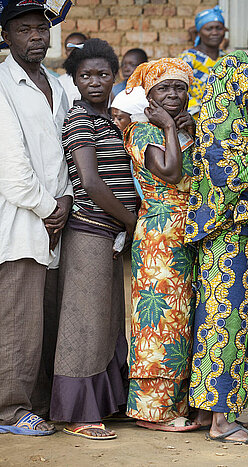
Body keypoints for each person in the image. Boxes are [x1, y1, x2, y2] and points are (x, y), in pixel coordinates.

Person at [51, 39, 139, 440]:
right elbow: (89, 182)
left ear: (115, 76)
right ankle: (77, 412)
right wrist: (130, 221)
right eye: (85, 75)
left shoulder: (110, 120)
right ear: (75, 79)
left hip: (109, 235)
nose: (95, 81)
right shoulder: (80, 119)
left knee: (106, 323)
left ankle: (105, 402)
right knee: (83, 325)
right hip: (89, 230)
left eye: (103, 74)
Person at [184, 51, 248, 445]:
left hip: (217, 240)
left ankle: (205, 411)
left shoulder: (214, 120)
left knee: (211, 325)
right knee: (227, 327)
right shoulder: (226, 127)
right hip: (227, 239)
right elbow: (228, 181)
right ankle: (222, 421)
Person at [0, 0, 72, 436]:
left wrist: (64, 201)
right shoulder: (2, 85)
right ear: (6, 37)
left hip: (56, 218)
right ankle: (9, 410)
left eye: (41, 28)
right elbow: (11, 169)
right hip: (21, 220)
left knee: (45, 318)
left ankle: (37, 405)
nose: (36, 36)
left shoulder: (58, 85)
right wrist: (49, 208)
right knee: (18, 319)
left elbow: (66, 154)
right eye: (24, 29)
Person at [123, 58, 200, 432]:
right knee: (159, 321)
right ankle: (151, 411)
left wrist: (191, 132)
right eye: (163, 88)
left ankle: (176, 403)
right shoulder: (142, 131)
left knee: (182, 320)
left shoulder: (187, 129)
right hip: (159, 232)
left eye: (179, 87)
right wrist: (169, 127)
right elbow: (170, 171)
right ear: (149, 95)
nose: (172, 94)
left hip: (188, 232)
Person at [179, 6, 226, 115]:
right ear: (199, 32)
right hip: (193, 117)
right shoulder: (188, 58)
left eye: (219, 28)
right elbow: (179, 89)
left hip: (223, 118)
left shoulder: (226, 58)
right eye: (209, 29)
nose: (215, 32)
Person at [58, 31, 87, 104]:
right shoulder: (60, 83)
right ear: (65, 53)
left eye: (79, 47)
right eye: (70, 49)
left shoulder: (96, 79)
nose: (74, 52)